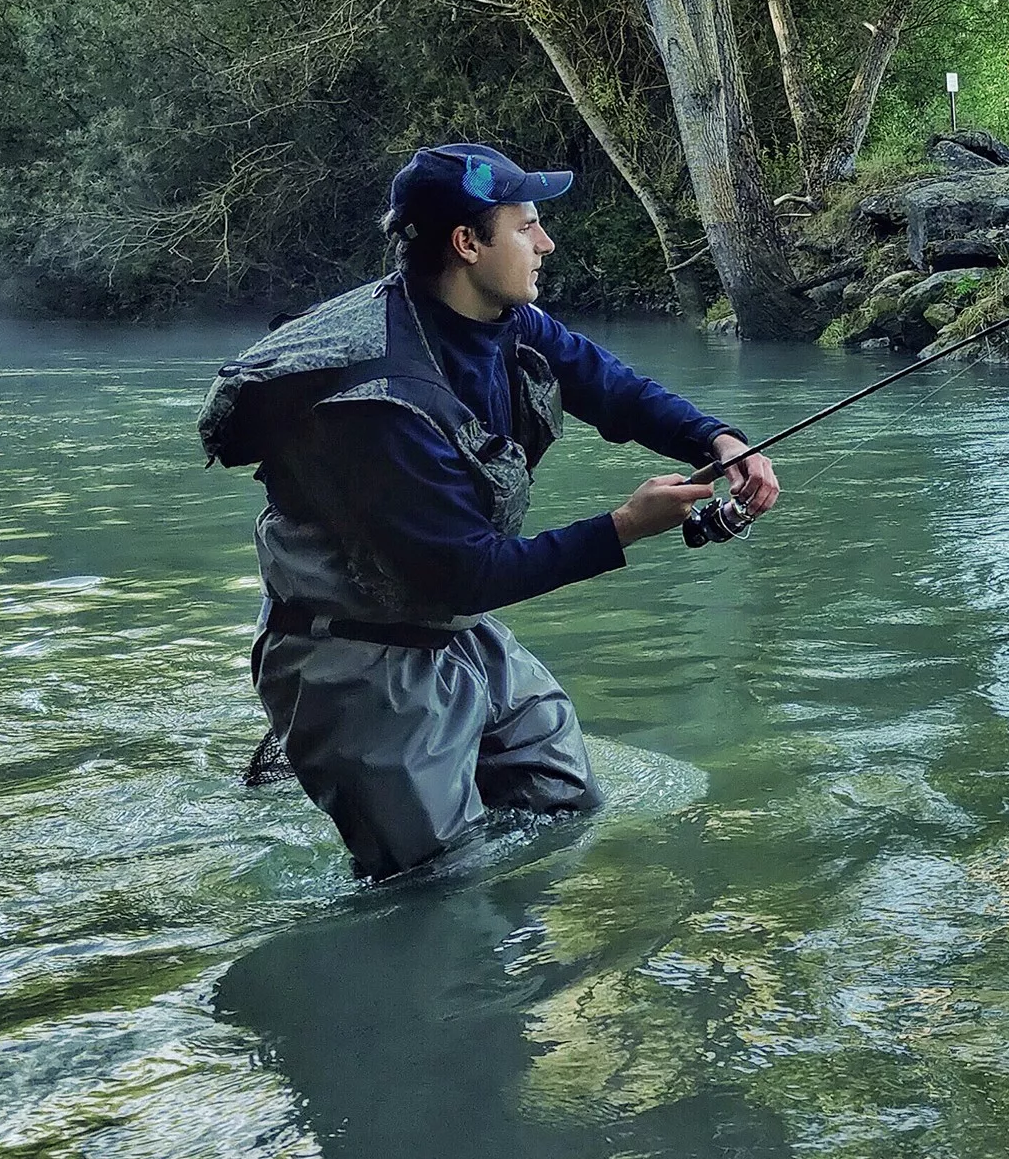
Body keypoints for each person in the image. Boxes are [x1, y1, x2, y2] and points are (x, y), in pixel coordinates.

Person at [198, 143, 779, 880]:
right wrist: (626, 526)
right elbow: (467, 574)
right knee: (439, 888)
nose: (547, 242)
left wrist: (717, 438)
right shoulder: (382, 402)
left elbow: (609, 385)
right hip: (356, 658)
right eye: (527, 225)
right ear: (467, 244)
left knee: (564, 803)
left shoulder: (502, 319)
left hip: (452, 631)